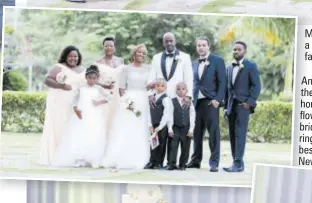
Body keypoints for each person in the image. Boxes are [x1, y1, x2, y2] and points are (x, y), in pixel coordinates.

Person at [51, 65, 113, 168]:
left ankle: (94, 158)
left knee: (94, 135)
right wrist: (76, 109)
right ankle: (79, 159)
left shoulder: (98, 88)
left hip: (94, 115)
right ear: (86, 77)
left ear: (97, 79)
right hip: (82, 115)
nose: (91, 81)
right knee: (80, 134)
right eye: (89, 78)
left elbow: (110, 97)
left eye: (94, 78)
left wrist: (99, 102)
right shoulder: (81, 88)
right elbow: (74, 99)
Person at [147, 32, 193, 168]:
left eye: (171, 40)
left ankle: (171, 162)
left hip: (177, 99)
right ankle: (156, 161)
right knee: (159, 131)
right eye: (166, 41)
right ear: (163, 43)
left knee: (173, 133)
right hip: (159, 98)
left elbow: (189, 78)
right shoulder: (156, 58)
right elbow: (152, 76)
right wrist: (150, 93)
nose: (169, 43)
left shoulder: (185, 57)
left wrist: (188, 96)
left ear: (175, 41)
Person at [101, 44, 150, 169]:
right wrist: (126, 102)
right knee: (126, 128)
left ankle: (139, 157)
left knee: (140, 129)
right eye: (139, 53)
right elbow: (122, 88)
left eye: (144, 54)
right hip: (129, 100)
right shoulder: (126, 69)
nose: (141, 55)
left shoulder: (148, 69)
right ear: (134, 54)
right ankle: (121, 156)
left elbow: (149, 86)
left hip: (143, 101)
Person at [39, 45, 86, 165]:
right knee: (59, 127)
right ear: (65, 56)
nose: (73, 58)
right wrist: (62, 86)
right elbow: (47, 80)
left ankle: (72, 155)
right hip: (59, 102)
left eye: (75, 56)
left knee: (74, 128)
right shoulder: (59, 67)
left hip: (75, 103)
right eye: (70, 56)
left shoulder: (82, 69)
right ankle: (56, 154)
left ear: (78, 57)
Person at [186, 37, 226, 172]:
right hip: (196, 103)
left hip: (211, 102)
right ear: (196, 48)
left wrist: (218, 100)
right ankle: (195, 161)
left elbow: (222, 83)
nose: (201, 48)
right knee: (196, 133)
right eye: (199, 45)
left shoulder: (218, 61)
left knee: (213, 133)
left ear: (208, 46)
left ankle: (214, 163)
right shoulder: (194, 64)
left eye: (203, 45)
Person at [223, 41, 261, 172]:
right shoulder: (228, 68)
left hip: (243, 106)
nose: (236, 52)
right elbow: (227, 90)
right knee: (233, 135)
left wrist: (249, 103)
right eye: (234, 49)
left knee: (240, 134)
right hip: (231, 107)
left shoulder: (251, 66)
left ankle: (237, 163)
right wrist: (225, 108)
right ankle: (237, 163)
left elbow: (257, 86)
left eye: (239, 49)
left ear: (244, 51)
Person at [95, 37, 124, 135]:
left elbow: (124, 79)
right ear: (103, 47)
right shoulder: (98, 62)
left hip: (119, 95)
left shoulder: (121, 61)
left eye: (111, 46)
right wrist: (104, 85)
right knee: (104, 121)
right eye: (106, 46)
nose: (108, 48)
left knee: (117, 122)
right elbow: (92, 81)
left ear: (114, 47)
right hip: (105, 95)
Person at [144, 79, 172, 169]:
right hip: (153, 124)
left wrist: (160, 126)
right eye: (158, 86)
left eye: (162, 86)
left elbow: (166, 114)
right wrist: (149, 124)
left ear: (166, 87)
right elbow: (148, 111)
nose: (160, 88)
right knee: (153, 143)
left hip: (162, 126)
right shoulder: (152, 98)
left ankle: (159, 162)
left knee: (162, 143)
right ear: (155, 87)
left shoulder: (166, 98)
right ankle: (152, 161)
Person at [167, 82, 195, 170]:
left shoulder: (189, 102)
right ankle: (171, 164)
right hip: (175, 127)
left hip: (186, 128)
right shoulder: (172, 101)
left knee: (186, 146)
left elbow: (192, 116)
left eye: (183, 89)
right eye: (178, 89)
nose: (181, 91)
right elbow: (170, 115)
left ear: (186, 91)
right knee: (173, 146)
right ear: (176, 91)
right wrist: (170, 128)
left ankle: (183, 164)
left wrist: (191, 129)